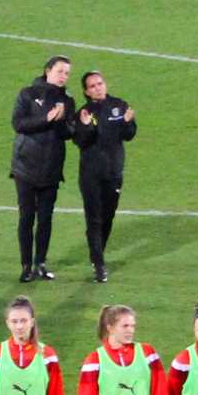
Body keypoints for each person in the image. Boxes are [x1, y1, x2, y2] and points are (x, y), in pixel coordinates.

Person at [8, 57, 75, 283]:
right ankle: (26, 266)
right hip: (25, 166)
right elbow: (18, 124)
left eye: (67, 73)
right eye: (60, 71)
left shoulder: (67, 100)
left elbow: (68, 133)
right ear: (48, 71)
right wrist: (46, 118)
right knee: (26, 217)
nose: (64, 76)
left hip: (51, 168)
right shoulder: (27, 94)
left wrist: (61, 121)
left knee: (46, 219)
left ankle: (41, 263)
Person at [67, 71, 138, 283]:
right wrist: (86, 126)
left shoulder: (119, 105)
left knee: (108, 217)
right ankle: (98, 264)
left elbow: (129, 135)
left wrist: (128, 122)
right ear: (86, 91)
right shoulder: (83, 112)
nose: (98, 88)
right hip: (91, 176)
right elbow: (80, 141)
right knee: (94, 219)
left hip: (114, 173)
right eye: (93, 86)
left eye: (100, 83)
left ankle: (98, 253)